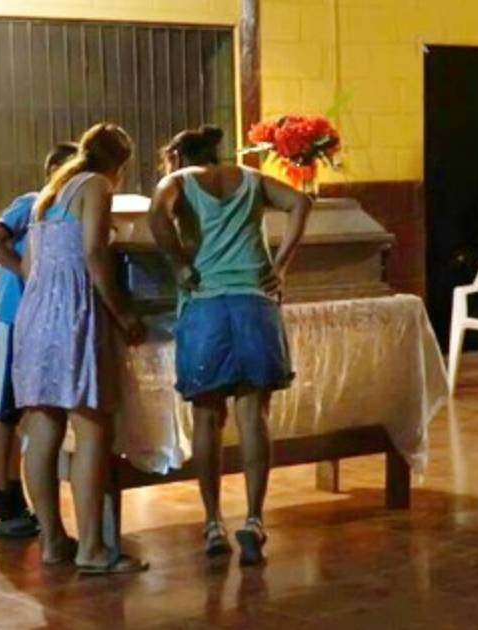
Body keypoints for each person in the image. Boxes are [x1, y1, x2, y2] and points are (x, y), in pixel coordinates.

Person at [147, 124, 311, 565]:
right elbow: (301, 202)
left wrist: (179, 264)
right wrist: (281, 264)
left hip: (205, 306)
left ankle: (212, 522)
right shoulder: (252, 179)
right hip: (255, 302)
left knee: (207, 417)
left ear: (178, 156)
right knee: (253, 415)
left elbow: (156, 214)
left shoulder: (178, 180)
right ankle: (254, 519)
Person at [13, 123, 148, 575]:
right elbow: (93, 253)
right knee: (92, 429)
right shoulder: (96, 186)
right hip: (74, 311)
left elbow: (29, 265)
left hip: (35, 313)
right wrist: (122, 313)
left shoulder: (48, 194)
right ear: (121, 163)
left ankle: (53, 541)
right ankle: (92, 548)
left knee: (42, 428)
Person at [0, 141, 79, 537]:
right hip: (11, 317)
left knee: (27, 412)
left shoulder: (69, 212)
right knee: (3, 410)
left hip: (40, 322)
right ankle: (2, 492)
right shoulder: (31, 203)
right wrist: (25, 270)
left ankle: (17, 491)